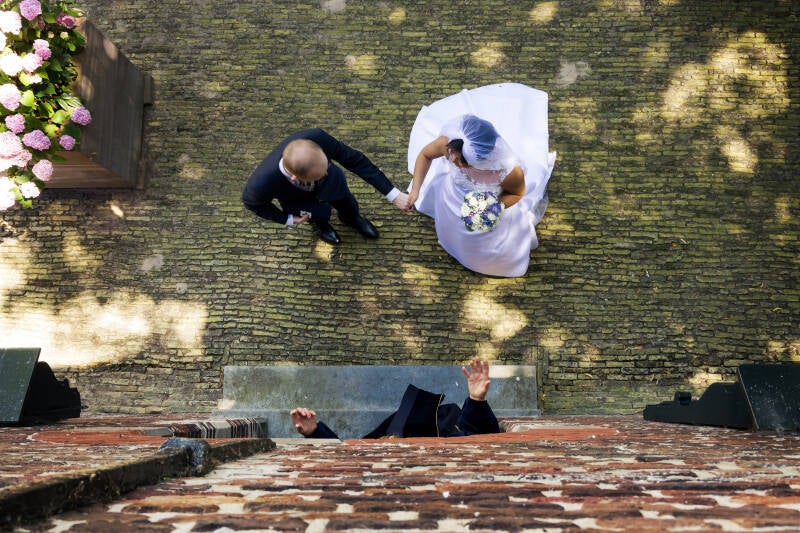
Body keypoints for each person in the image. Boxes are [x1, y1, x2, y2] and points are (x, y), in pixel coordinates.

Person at [404, 83, 557, 277]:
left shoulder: (508, 170)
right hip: (450, 199)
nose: (454, 162)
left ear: (485, 161)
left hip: (486, 210)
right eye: (453, 156)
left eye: (462, 162)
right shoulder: (449, 143)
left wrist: (492, 206)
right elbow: (425, 155)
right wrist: (416, 191)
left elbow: (518, 193)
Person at [243, 129, 410, 245]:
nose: (326, 174)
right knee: (317, 216)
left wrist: (393, 194)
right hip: (300, 201)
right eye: (320, 174)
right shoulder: (261, 184)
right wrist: (288, 219)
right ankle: (321, 225)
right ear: (296, 177)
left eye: (326, 167)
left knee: (347, 203)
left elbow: (355, 161)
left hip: (335, 187)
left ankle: (352, 219)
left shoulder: (318, 137)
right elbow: (254, 205)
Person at [290, 357, 501, 439]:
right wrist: (314, 432)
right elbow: (344, 455)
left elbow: (477, 439)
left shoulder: (441, 426)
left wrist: (476, 400)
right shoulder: (387, 437)